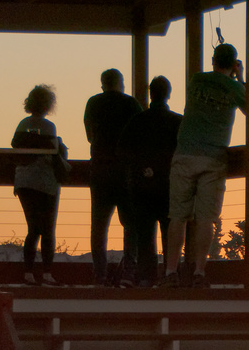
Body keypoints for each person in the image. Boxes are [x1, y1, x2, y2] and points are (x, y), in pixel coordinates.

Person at [164, 43, 246, 287]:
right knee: (205, 219)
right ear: (233, 64)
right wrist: (240, 77)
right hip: (213, 157)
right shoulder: (234, 88)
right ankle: (199, 271)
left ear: (213, 60)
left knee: (177, 217)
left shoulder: (196, 80)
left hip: (185, 153)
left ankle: (170, 272)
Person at [117, 75, 181, 285]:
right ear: (168, 94)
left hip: (142, 186)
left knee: (145, 235)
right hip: (169, 185)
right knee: (169, 232)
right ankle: (171, 273)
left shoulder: (137, 121)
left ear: (150, 94)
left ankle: (146, 276)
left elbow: (123, 150)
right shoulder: (177, 122)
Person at [82, 68, 142, 285]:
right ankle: (129, 270)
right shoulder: (131, 104)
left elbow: (90, 136)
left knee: (99, 224)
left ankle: (100, 273)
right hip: (125, 170)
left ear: (103, 85)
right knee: (130, 223)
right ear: (120, 83)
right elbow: (139, 134)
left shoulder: (93, 103)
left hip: (100, 169)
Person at [12, 84, 69, 286]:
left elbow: (16, 146)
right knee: (47, 229)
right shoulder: (48, 127)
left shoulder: (22, 125)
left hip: (24, 182)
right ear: (47, 105)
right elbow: (52, 153)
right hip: (45, 183)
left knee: (32, 228)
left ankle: (28, 272)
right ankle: (46, 273)